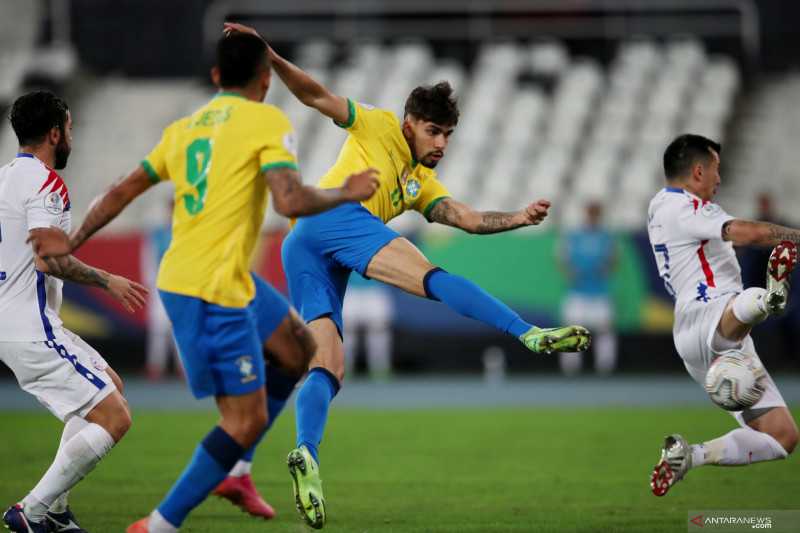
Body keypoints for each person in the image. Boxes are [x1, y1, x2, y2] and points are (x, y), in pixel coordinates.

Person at [223, 22, 592, 529]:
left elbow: (466, 218)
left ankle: (305, 453)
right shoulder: (374, 125)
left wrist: (517, 219)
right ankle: (526, 333)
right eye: (434, 131)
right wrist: (270, 56)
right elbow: (315, 96)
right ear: (410, 122)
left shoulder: (420, 182)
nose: (441, 143)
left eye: (448, 135)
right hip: (335, 217)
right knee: (432, 276)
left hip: (302, 245)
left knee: (328, 366)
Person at [29, 32, 379, 533]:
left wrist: (75, 239)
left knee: (299, 347)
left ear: (216, 77)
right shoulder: (267, 120)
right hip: (209, 288)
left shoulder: (186, 128)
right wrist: (345, 191)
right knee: (244, 420)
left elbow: (121, 190)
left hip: (215, 275)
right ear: (265, 80)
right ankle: (160, 524)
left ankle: (236, 471)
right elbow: (289, 202)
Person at [1, 91, 147, 533]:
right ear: (54, 132)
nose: (72, 137)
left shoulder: (5, 177)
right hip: (31, 326)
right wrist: (107, 280)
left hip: (16, 321)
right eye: (70, 128)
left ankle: (58, 510)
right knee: (115, 416)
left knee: (108, 390)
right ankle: (32, 510)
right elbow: (50, 259)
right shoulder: (45, 183)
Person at [647, 134, 798, 496]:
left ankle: (690, 457)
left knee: (782, 437)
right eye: (716, 169)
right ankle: (770, 298)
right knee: (746, 299)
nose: (720, 178)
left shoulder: (658, 206)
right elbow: (745, 232)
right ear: (697, 171)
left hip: (702, 345)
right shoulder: (684, 206)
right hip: (710, 315)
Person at [558, 201, 618, 375]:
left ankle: (605, 367)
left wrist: (605, 269)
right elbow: (562, 259)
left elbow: (613, 260)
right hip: (577, 291)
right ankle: (570, 368)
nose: (592, 216)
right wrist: (570, 273)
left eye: (595, 212)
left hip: (600, 292)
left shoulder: (606, 236)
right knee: (571, 329)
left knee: (605, 329)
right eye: (590, 212)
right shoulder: (574, 236)